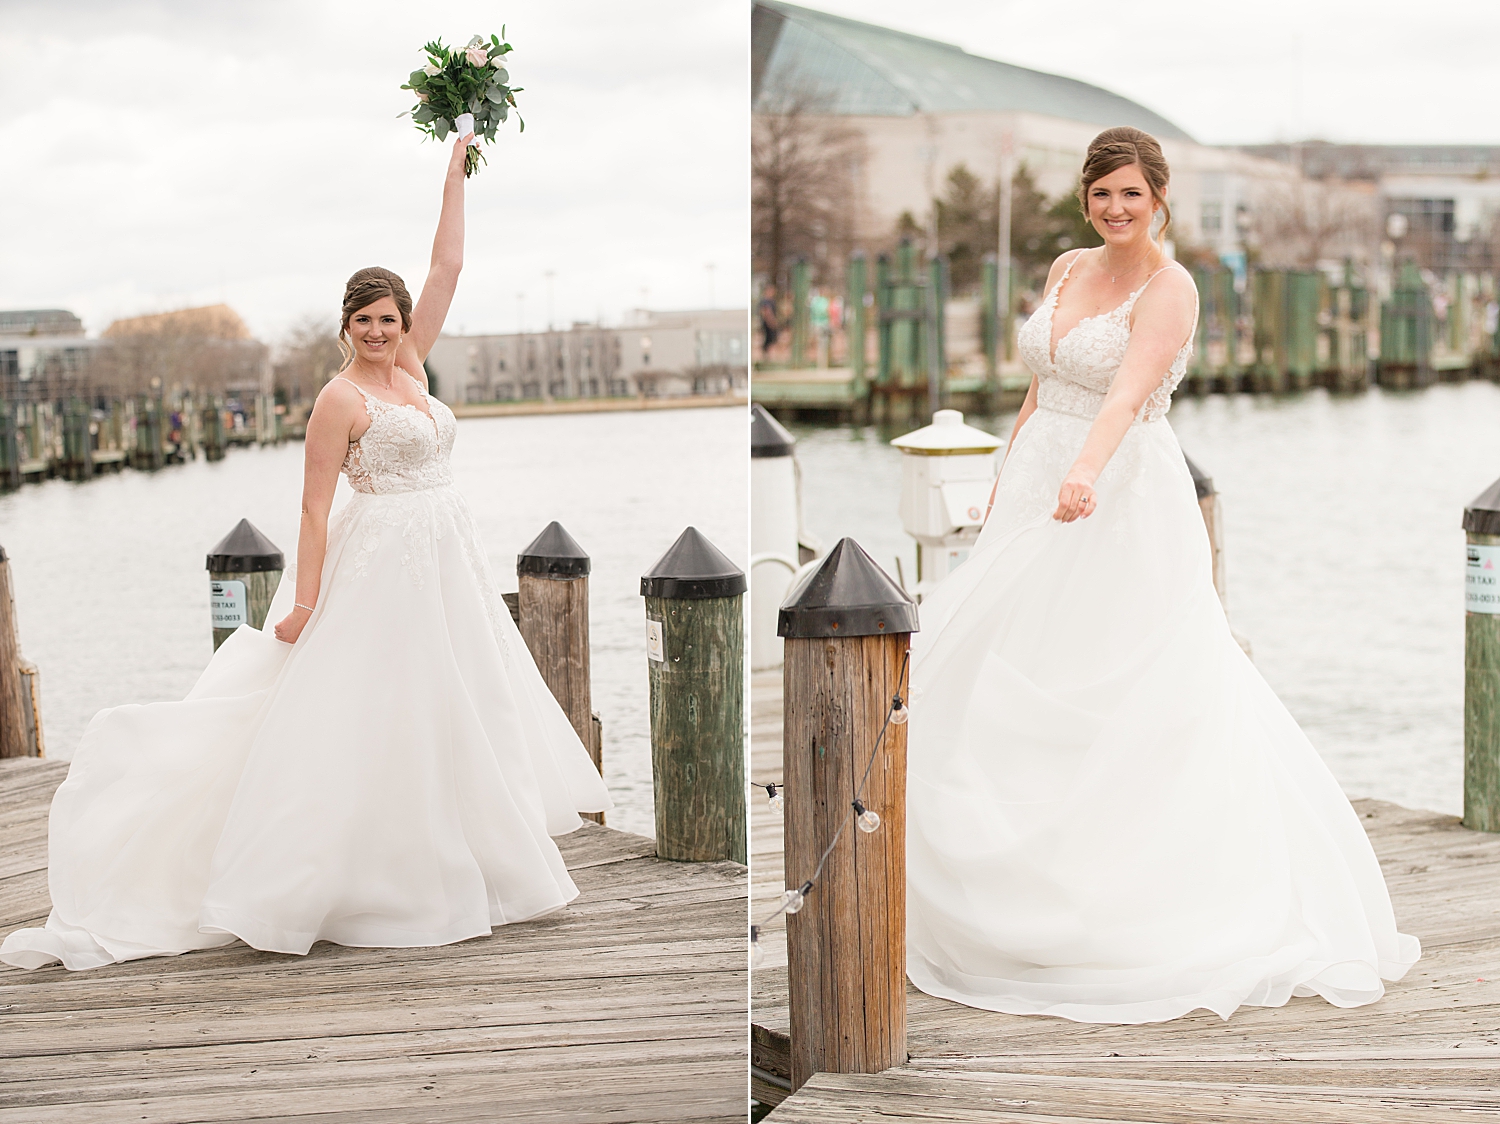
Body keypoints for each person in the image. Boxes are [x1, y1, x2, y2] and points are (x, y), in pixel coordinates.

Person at [1, 133, 612, 972]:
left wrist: (454, 175)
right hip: (380, 567)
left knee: (458, 707)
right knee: (367, 711)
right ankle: (356, 875)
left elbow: (447, 268)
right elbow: (315, 507)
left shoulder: (415, 370)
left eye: (386, 320)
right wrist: (303, 601)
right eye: (362, 321)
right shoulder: (340, 398)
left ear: (402, 325)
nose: (375, 331)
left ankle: (472, 858)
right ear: (346, 327)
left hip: (444, 564)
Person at [904, 127, 1419, 1024]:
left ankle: (1129, 896)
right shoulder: (1067, 267)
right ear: (1085, 199)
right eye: (1102, 194)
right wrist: (1010, 471)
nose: (1114, 210)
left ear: (1160, 200)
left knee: (1119, 673)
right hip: (1038, 483)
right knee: (1002, 655)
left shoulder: (1170, 286)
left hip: (1118, 488)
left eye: (1131, 196)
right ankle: (1002, 888)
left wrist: (1083, 473)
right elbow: (1040, 383)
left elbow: (1123, 395)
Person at [758, 284, 780, 358]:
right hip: (768, 324)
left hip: (769, 323)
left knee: (769, 341)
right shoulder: (765, 301)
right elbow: (767, 312)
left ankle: (767, 356)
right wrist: (772, 322)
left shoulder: (771, 301)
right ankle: (768, 356)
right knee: (769, 341)